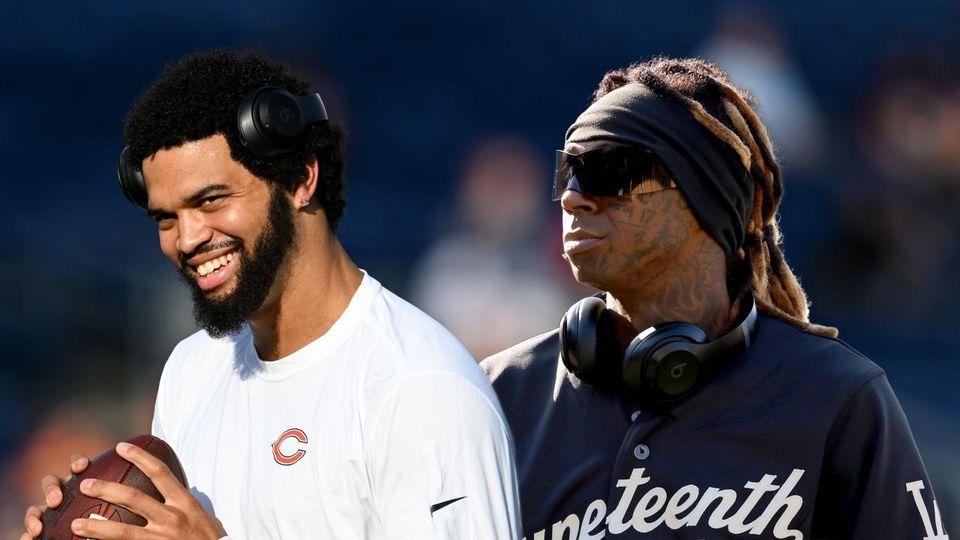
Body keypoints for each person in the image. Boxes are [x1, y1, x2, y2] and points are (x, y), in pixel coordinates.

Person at [22, 50, 520, 540]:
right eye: (166, 218)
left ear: (301, 178)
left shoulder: (420, 389)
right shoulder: (191, 370)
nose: (187, 239)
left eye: (211, 200)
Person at [482, 57, 948, 539]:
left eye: (609, 170)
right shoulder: (497, 396)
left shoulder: (835, 398)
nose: (573, 197)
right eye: (570, 172)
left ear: (704, 196)